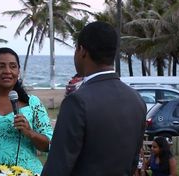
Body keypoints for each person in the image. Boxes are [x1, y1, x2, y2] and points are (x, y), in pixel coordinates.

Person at [42, 21, 147, 175]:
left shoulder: (77, 102)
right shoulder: (136, 100)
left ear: (82, 50)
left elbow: (58, 166)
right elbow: (133, 162)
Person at [0, 47, 52, 175]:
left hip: (27, 173)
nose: (7, 71)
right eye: (1, 66)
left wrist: (30, 133)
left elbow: (50, 145)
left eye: (13, 66)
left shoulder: (33, 103)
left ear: (18, 71)